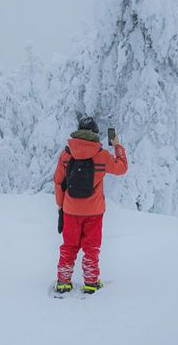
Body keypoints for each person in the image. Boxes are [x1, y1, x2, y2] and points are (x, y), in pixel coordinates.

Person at [53, 116, 128, 294]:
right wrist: (117, 145)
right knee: (91, 247)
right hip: (94, 211)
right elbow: (122, 168)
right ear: (95, 133)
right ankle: (90, 283)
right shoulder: (101, 155)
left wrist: (60, 206)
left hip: (71, 210)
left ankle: (63, 282)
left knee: (69, 246)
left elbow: (58, 182)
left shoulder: (67, 154)